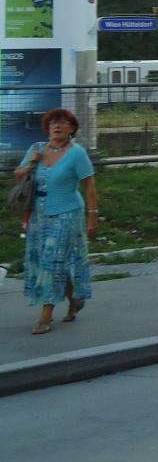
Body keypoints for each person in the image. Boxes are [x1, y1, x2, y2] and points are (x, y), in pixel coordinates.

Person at [14, 107, 98, 335]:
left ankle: (45, 317)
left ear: (71, 129)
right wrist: (30, 163)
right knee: (46, 261)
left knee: (51, 263)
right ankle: (74, 300)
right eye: (53, 123)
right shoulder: (37, 149)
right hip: (38, 215)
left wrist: (93, 215)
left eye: (62, 123)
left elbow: (89, 184)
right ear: (47, 128)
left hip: (67, 214)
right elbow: (19, 174)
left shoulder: (77, 153)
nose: (57, 127)